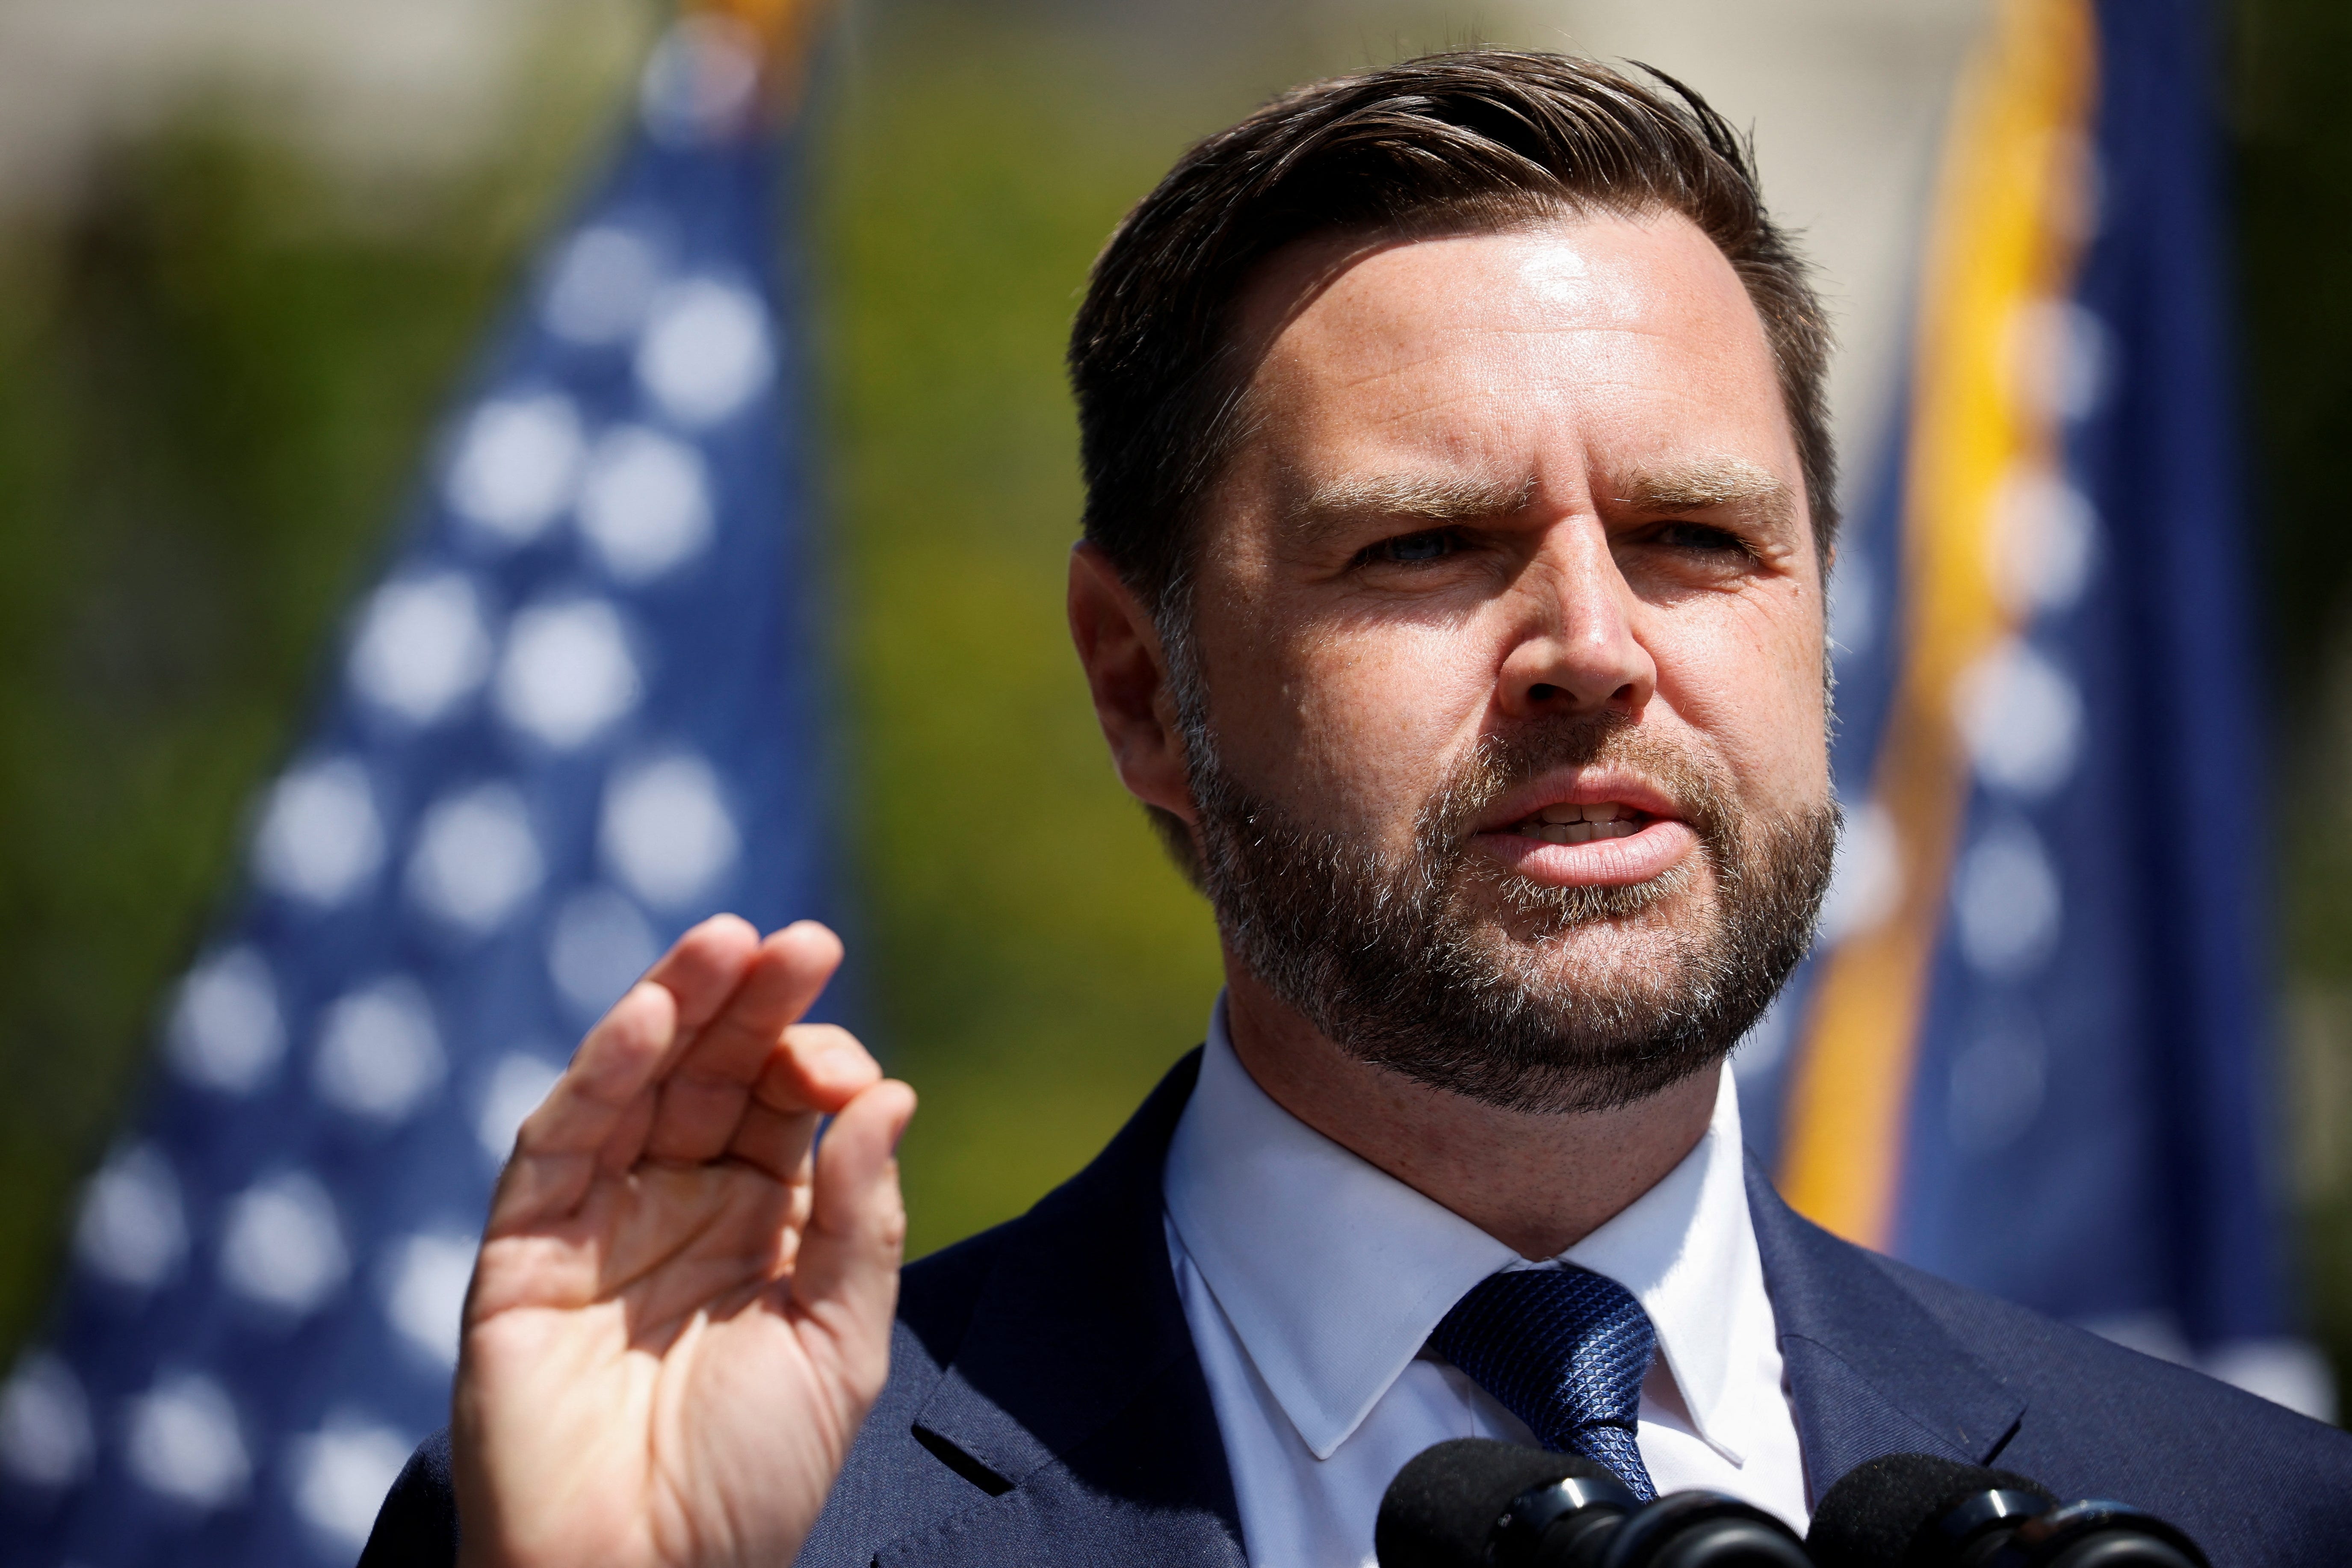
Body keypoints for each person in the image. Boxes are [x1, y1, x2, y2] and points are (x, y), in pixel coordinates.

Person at [361, 50, 2352, 1568]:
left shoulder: (2239, 1514)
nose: (1591, 643)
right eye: (1421, 545)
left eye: (1691, 534)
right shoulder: (709, 1515)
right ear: (1143, 684)